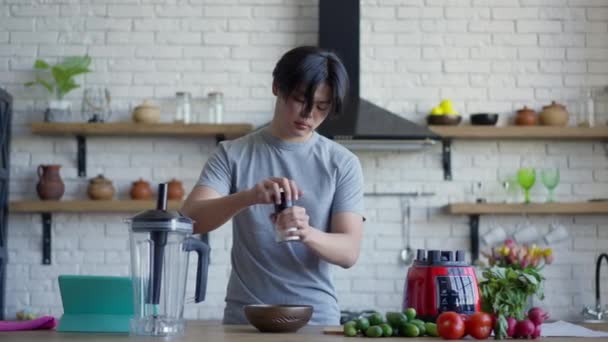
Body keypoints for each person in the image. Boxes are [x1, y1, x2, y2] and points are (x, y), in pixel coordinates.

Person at [180, 46, 365, 326]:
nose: (308, 114)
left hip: (316, 322)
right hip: (245, 320)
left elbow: (349, 251)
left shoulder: (343, 163)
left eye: (321, 107)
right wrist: (249, 197)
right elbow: (189, 220)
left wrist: (306, 232)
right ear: (277, 87)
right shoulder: (232, 154)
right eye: (300, 99)